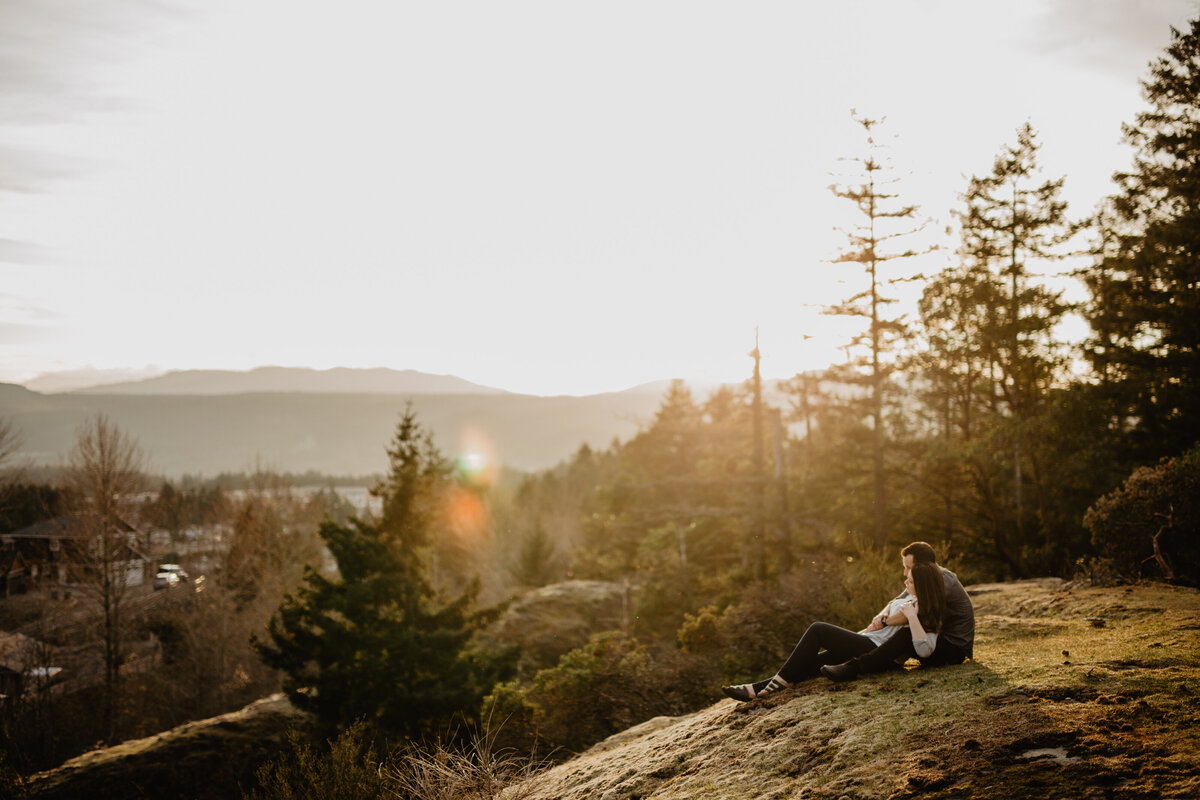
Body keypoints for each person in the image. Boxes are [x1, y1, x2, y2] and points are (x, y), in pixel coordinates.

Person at [721, 558, 947, 701]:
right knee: (813, 662)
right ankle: (756, 689)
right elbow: (885, 615)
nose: (905, 582)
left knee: (818, 629)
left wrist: (908, 616)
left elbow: (924, 646)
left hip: (874, 648)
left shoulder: (922, 608)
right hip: (866, 639)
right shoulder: (909, 598)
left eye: (910, 581)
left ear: (922, 585)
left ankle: (777, 684)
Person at [819, 541, 974, 682]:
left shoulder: (941, 581)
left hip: (953, 648)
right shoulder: (924, 577)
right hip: (931, 640)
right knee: (899, 632)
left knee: (905, 634)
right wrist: (880, 616)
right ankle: (815, 666)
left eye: (908, 568)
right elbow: (896, 600)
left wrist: (884, 622)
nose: (905, 573)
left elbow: (910, 612)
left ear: (922, 566)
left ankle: (855, 668)